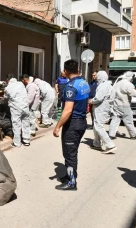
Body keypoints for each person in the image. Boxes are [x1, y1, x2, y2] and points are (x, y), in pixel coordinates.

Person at [53, 59, 90, 191]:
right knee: (72, 152)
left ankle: (71, 182)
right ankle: (70, 175)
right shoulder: (84, 83)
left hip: (73, 123)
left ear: (66, 71)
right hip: (81, 121)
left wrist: (57, 126)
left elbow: (68, 110)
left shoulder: (71, 86)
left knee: (69, 153)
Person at [89, 71, 116, 154]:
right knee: (96, 126)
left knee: (98, 126)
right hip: (102, 108)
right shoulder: (107, 85)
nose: (97, 78)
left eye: (98, 76)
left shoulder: (104, 86)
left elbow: (98, 98)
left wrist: (91, 101)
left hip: (101, 109)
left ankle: (110, 144)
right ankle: (96, 143)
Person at [109, 71, 136, 140]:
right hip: (125, 105)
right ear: (130, 77)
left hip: (116, 104)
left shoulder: (117, 83)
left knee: (115, 119)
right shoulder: (128, 84)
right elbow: (135, 94)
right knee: (128, 120)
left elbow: (112, 95)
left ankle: (111, 134)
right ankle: (133, 134)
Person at [4, 74, 30, 147]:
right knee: (26, 123)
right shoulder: (21, 84)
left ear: (7, 80)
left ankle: (17, 143)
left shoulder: (8, 88)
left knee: (16, 125)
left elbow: (5, 97)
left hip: (16, 108)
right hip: (25, 106)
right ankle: (26, 140)